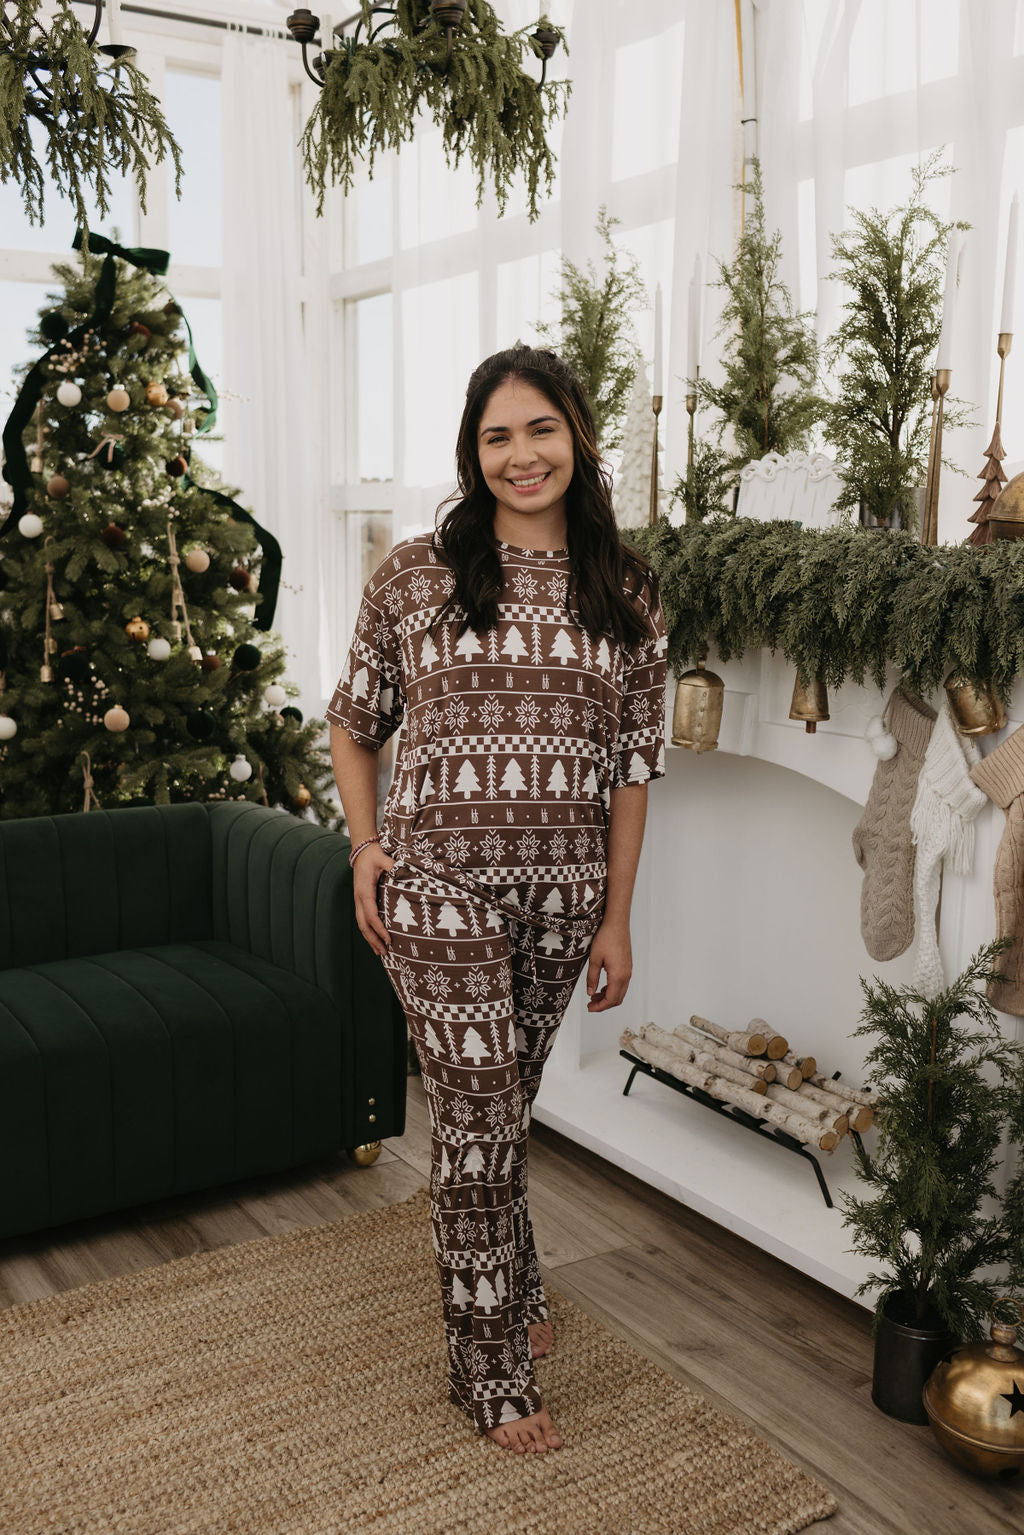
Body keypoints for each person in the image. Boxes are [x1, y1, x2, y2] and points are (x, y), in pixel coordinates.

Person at [327, 343, 668, 1455]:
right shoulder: (416, 573)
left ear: (575, 436)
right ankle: (490, 1368)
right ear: (472, 455)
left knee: (501, 1109)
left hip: (566, 896)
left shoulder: (626, 590)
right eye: (496, 436)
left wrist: (616, 913)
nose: (521, 455)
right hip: (435, 888)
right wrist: (365, 845)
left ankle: (512, 1286)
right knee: (473, 1120)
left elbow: (630, 767)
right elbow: (353, 716)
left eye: (540, 429)